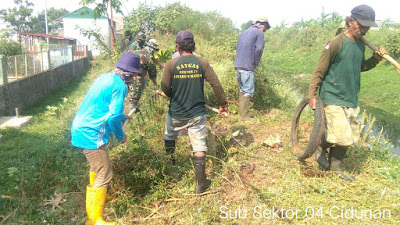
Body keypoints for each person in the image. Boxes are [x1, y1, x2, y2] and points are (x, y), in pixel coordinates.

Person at [308, 5, 387, 181]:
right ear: (351, 22)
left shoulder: (360, 46)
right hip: (332, 95)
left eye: (368, 27)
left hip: (351, 96)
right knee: (340, 134)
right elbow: (319, 71)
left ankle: (335, 168)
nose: (365, 30)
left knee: (350, 136)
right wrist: (312, 95)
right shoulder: (336, 42)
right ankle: (319, 144)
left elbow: (360, 68)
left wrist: (375, 60)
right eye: (362, 25)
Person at [71, 51, 141, 224]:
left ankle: (103, 196)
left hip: (81, 127)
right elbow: (111, 117)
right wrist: (121, 135)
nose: (134, 79)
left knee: (97, 168)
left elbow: (105, 108)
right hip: (91, 133)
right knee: (105, 172)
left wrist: (122, 116)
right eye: (134, 75)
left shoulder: (106, 77)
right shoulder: (120, 86)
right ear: (130, 73)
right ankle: (94, 219)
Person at [161, 30, 230, 194]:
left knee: (170, 134)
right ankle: (200, 184)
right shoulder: (203, 62)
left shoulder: (172, 64)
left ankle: (170, 166)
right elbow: (216, 85)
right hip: (197, 113)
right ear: (193, 45)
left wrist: (171, 95)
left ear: (177, 47)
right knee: (199, 144)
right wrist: (223, 104)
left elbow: (164, 87)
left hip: (176, 112)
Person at [234, 17, 271, 121]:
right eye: (266, 29)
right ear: (263, 25)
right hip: (247, 66)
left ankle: (241, 114)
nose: (265, 31)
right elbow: (259, 49)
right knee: (248, 91)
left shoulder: (244, 32)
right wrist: (255, 62)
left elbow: (237, 48)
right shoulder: (259, 33)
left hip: (237, 65)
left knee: (242, 89)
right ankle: (244, 116)